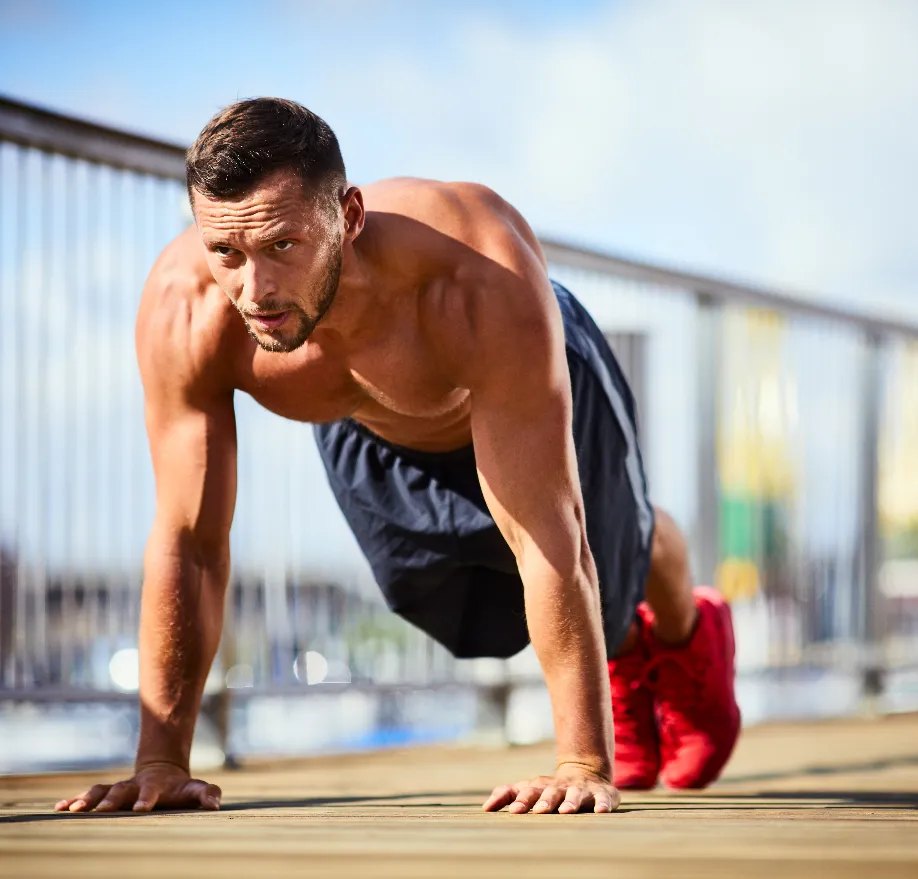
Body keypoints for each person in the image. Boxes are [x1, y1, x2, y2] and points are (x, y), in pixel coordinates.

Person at [54, 98, 739, 817]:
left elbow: (548, 529)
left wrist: (580, 761)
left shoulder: (474, 274)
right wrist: (160, 761)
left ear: (347, 217)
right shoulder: (186, 309)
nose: (253, 291)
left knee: (603, 558)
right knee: (469, 620)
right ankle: (622, 637)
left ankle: (682, 634)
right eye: (226, 252)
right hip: (374, 430)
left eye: (282, 246)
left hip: (516, 373)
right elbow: (190, 540)